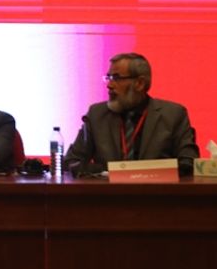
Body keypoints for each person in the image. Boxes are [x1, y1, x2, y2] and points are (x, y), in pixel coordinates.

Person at [63, 52, 199, 177]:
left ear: (139, 83)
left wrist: (149, 173)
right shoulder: (96, 115)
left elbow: (189, 162)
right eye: (108, 77)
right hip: (109, 192)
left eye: (116, 78)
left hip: (156, 193)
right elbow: (71, 162)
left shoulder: (173, 114)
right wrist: (109, 171)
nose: (109, 85)